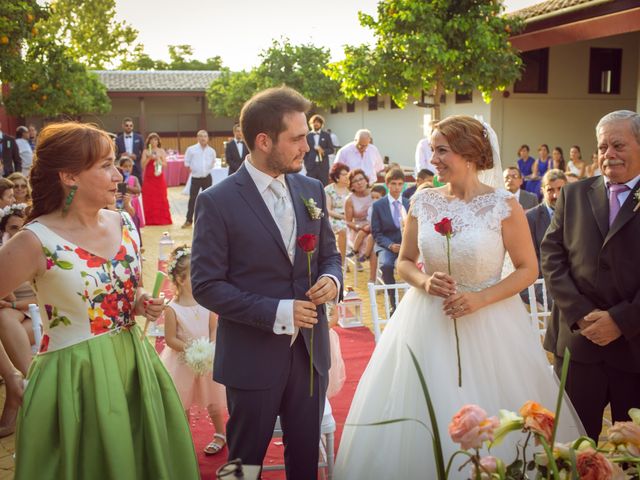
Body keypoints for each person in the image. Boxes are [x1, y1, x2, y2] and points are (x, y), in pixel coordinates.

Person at [335, 115, 583, 479]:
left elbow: (528, 269)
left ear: (469, 153)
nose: (432, 159)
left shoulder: (503, 205)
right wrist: (423, 281)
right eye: (432, 149)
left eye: (441, 150)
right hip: (426, 321)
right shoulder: (423, 200)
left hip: (492, 322)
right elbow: (404, 262)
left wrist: (481, 299)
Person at [0, 122, 199, 478]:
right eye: (106, 166)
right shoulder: (35, 240)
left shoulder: (124, 223)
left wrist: (139, 301)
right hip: (74, 379)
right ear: (69, 176)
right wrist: (12, 372)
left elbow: (126, 289)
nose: (119, 176)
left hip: (135, 369)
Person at [191, 86, 342, 479]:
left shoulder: (312, 190)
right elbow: (206, 285)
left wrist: (332, 279)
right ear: (263, 141)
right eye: (297, 138)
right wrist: (278, 311)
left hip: (310, 355)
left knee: (305, 460)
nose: (306, 147)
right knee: (244, 462)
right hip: (252, 356)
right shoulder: (217, 201)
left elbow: (330, 255)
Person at [541, 110, 640, 442]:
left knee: (632, 452)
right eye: (602, 147)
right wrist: (581, 315)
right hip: (578, 344)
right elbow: (552, 257)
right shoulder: (574, 194)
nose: (608, 154)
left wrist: (620, 320)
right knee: (572, 447)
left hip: (634, 347)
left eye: (618, 145)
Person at [160, 245, 227, 456]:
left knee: (213, 398)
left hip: (207, 359)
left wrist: (211, 347)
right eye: (193, 274)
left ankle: (220, 433)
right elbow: (170, 339)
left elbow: (214, 327)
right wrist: (191, 349)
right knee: (183, 401)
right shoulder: (172, 308)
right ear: (180, 279)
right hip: (182, 362)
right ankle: (184, 437)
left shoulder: (206, 302)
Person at [0, 205, 36, 380]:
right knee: (5, 317)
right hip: (12, 310)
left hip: (37, 308)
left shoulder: (36, 250)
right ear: (3, 230)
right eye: (13, 228)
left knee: (6, 321)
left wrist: (13, 304)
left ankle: (26, 378)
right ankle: (28, 377)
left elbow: (41, 297)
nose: (18, 232)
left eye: (22, 227)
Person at [522, 169, 567, 304]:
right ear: (542, 190)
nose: (556, 195)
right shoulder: (531, 218)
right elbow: (531, 258)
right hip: (544, 289)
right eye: (550, 190)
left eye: (560, 189)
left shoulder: (578, 213)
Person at [371, 168, 410, 307]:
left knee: (415, 265)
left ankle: (410, 302)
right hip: (385, 245)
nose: (397, 187)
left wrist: (406, 245)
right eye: (393, 184)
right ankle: (393, 302)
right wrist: (390, 245)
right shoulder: (378, 205)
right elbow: (376, 233)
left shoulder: (408, 203)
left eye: (400, 184)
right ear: (387, 184)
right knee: (387, 266)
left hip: (405, 245)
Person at [182, 130, 215, 228]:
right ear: (197, 138)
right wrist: (194, 170)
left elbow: (213, 162)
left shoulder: (211, 151)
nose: (203, 138)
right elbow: (186, 163)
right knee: (193, 199)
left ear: (208, 138)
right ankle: (188, 220)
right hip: (195, 178)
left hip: (207, 178)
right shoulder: (191, 149)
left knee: (208, 200)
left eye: (205, 136)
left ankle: (209, 220)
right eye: (201, 136)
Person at [344, 169, 374, 271]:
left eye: (361, 179)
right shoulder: (349, 199)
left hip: (375, 225)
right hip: (357, 229)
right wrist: (358, 227)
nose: (359, 182)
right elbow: (347, 221)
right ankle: (373, 276)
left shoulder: (375, 194)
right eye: (355, 181)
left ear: (366, 180)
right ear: (351, 185)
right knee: (368, 241)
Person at [141, 132, 172, 226]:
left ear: (158, 141)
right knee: (148, 197)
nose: (154, 141)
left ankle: (162, 219)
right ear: (149, 141)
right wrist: (149, 158)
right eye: (152, 139)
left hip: (158, 177)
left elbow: (165, 165)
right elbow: (142, 166)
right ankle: (149, 220)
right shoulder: (146, 151)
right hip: (149, 177)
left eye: (155, 139)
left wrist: (158, 159)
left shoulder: (161, 151)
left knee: (161, 196)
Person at [325, 162, 350, 264]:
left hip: (350, 217)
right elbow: (328, 210)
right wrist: (343, 217)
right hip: (335, 218)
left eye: (347, 173)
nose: (347, 176)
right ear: (336, 176)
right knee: (343, 230)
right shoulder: (329, 189)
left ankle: (357, 257)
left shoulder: (351, 188)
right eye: (344, 174)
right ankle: (343, 261)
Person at [303, 114, 334, 186]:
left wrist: (323, 151)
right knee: (310, 186)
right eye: (314, 122)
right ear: (311, 124)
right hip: (311, 166)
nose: (316, 124)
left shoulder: (326, 135)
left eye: (318, 122)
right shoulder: (307, 135)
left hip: (323, 166)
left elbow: (331, 150)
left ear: (321, 124)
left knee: (324, 186)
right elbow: (304, 151)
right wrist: (306, 163)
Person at [117, 156, 144, 231]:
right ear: (121, 167)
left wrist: (128, 187)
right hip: (121, 203)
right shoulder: (119, 178)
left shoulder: (134, 178)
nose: (128, 168)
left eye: (130, 166)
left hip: (133, 203)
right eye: (125, 166)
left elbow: (138, 190)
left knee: (133, 219)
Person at [115, 117, 144, 183]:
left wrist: (136, 156)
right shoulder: (118, 139)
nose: (129, 127)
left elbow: (143, 152)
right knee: (123, 189)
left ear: (133, 127)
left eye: (131, 126)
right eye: (127, 125)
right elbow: (115, 154)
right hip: (123, 168)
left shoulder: (139, 137)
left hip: (136, 167)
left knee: (138, 188)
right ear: (123, 126)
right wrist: (121, 155)